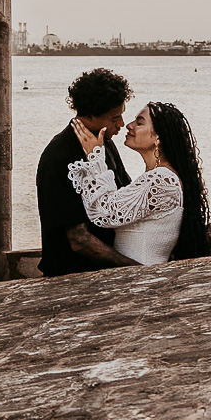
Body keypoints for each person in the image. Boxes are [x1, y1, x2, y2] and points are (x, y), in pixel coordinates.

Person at [68, 100, 211, 265]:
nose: (129, 125)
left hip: (144, 281)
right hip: (138, 277)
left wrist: (94, 156)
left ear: (157, 137)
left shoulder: (162, 179)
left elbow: (104, 212)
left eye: (139, 123)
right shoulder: (159, 176)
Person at [36, 68, 136, 276]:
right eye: (115, 118)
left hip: (104, 272)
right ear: (90, 116)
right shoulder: (59, 155)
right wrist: (134, 268)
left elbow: (126, 198)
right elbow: (79, 240)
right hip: (71, 276)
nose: (122, 124)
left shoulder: (104, 143)